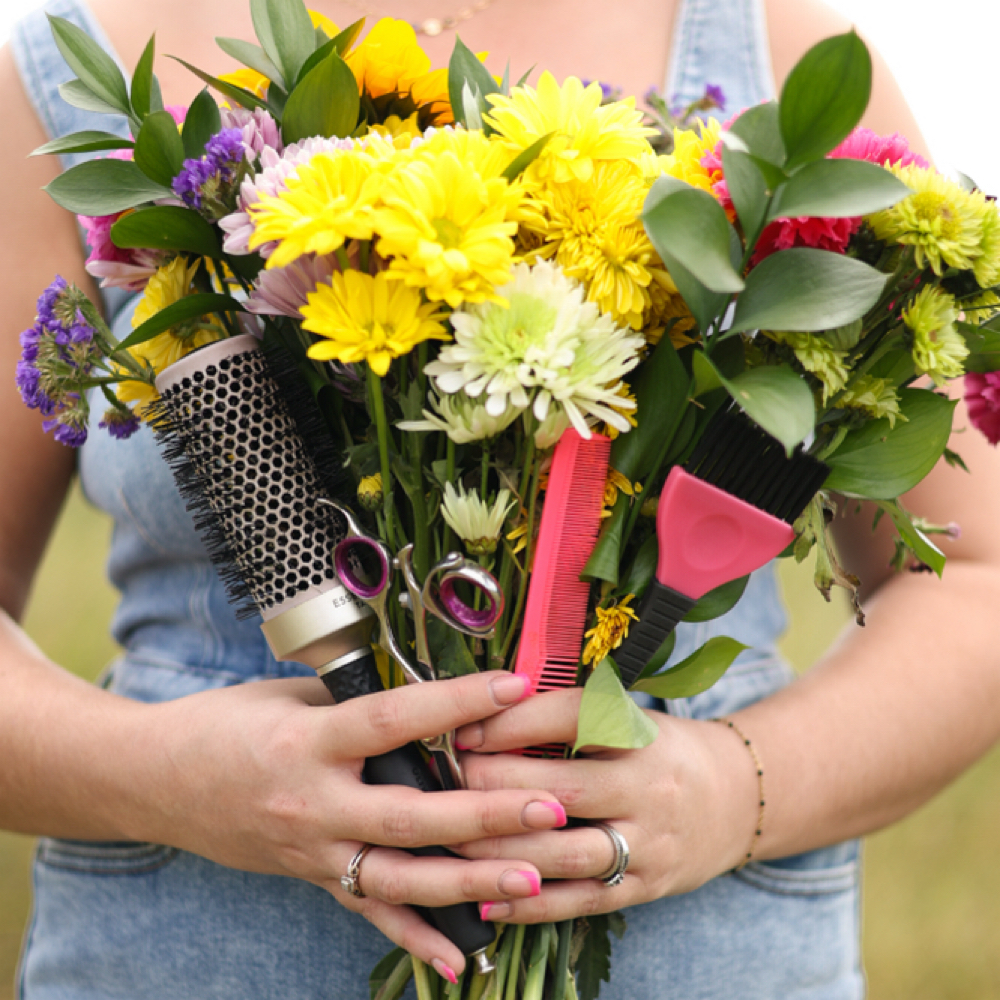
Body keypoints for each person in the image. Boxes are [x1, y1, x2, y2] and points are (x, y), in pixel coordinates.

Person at [2, 0, 1000, 997]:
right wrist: (157, 776)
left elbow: (973, 579)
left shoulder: (774, 48)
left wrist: (736, 790)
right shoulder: (60, 79)